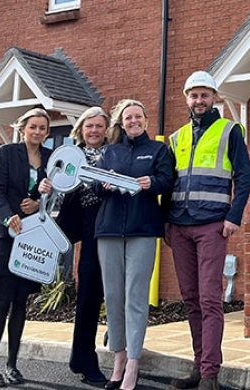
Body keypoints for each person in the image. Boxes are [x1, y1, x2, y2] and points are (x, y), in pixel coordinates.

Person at [166, 71, 250, 390]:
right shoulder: (177, 137)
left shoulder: (229, 130)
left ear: (214, 96)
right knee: (190, 298)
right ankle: (198, 364)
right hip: (179, 226)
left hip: (213, 225)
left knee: (209, 299)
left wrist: (234, 216)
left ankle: (209, 374)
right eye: (193, 95)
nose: (199, 101)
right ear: (186, 98)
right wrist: (166, 222)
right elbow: (168, 182)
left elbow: (244, 177)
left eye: (204, 95)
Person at [95, 99, 173, 390]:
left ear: (145, 120)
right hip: (109, 230)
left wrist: (150, 182)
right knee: (114, 298)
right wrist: (103, 182)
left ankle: (133, 365)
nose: (133, 121)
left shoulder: (158, 150)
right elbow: (93, 186)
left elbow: (168, 181)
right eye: (128, 118)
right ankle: (118, 359)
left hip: (142, 230)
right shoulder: (109, 152)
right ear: (122, 122)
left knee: (136, 298)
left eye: (137, 116)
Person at [38, 106, 110, 387]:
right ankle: (83, 359)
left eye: (99, 126)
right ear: (80, 129)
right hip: (88, 227)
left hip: (115, 226)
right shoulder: (67, 157)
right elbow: (53, 195)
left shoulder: (113, 153)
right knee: (89, 295)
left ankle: (122, 355)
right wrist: (44, 189)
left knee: (117, 292)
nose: (94, 130)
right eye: (89, 126)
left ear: (106, 130)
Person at [0, 107, 53, 387]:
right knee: (3, 300)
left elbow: (54, 192)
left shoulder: (50, 158)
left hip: (32, 236)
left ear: (47, 133)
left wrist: (39, 202)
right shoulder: (7, 152)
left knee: (21, 302)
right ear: (23, 127)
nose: (37, 132)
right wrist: (7, 215)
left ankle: (12, 365)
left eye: (42, 128)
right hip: (6, 234)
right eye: (33, 126)